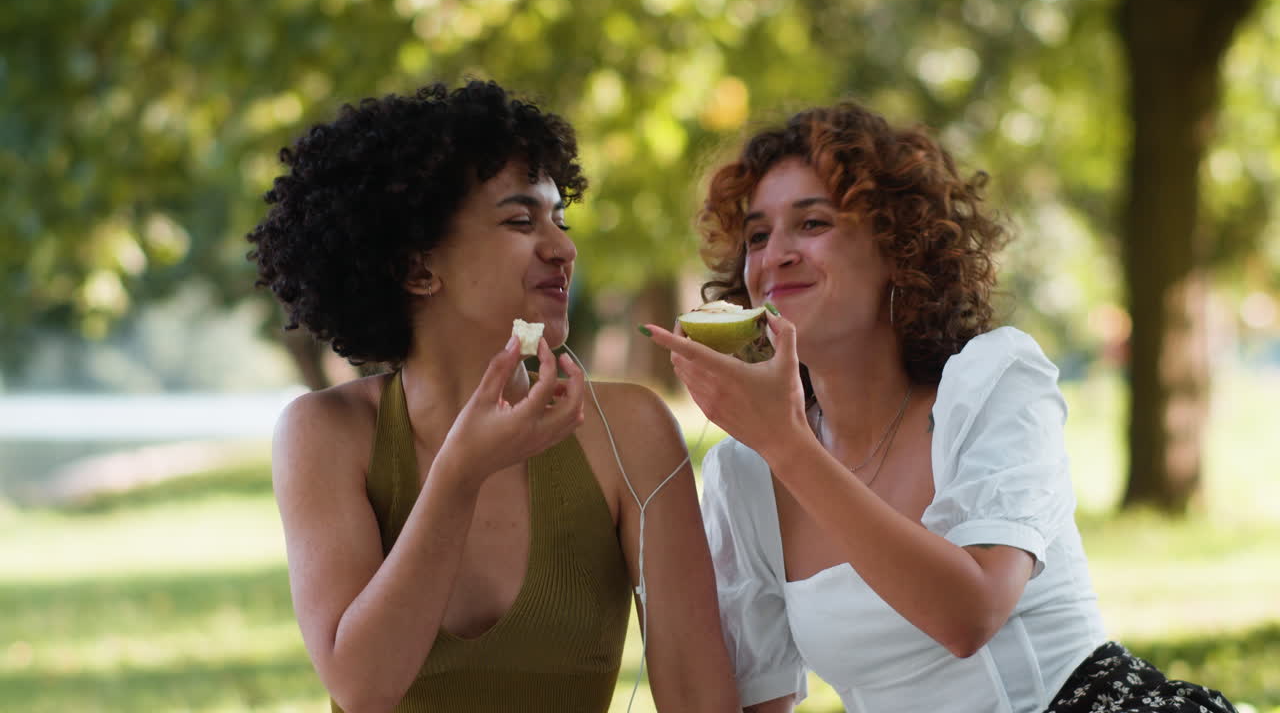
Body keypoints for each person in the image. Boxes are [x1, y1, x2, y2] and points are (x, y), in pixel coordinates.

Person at [641, 102, 1238, 713]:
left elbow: (968, 615)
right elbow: (756, 702)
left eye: (812, 224)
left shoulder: (992, 381)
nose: (775, 256)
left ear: (898, 247)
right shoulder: (746, 476)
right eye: (758, 235)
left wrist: (788, 445)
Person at [248, 80, 738, 713]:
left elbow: (700, 698)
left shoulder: (631, 429)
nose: (563, 248)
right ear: (417, 268)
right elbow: (363, 684)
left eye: (559, 219)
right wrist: (459, 474)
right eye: (520, 220)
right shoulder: (326, 432)